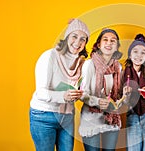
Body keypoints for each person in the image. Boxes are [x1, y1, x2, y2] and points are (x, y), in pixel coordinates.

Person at [29, 19, 90, 151]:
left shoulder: (81, 63)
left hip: (67, 116)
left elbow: (80, 88)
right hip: (44, 115)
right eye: (74, 36)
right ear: (67, 36)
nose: (78, 42)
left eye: (83, 39)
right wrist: (64, 96)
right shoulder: (49, 56)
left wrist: (80, 94)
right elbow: (41, 93)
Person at [79, 28, 125, 151]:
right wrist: (98, 102)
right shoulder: (89, 65)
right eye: (105, 40)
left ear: (116, 47)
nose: (109, 43)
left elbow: (118, 96)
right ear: (98, 44)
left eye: (113, 41)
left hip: (111, 120)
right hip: (91, 119)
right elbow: (82, 94)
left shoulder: (118, 67)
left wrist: (125, 95)